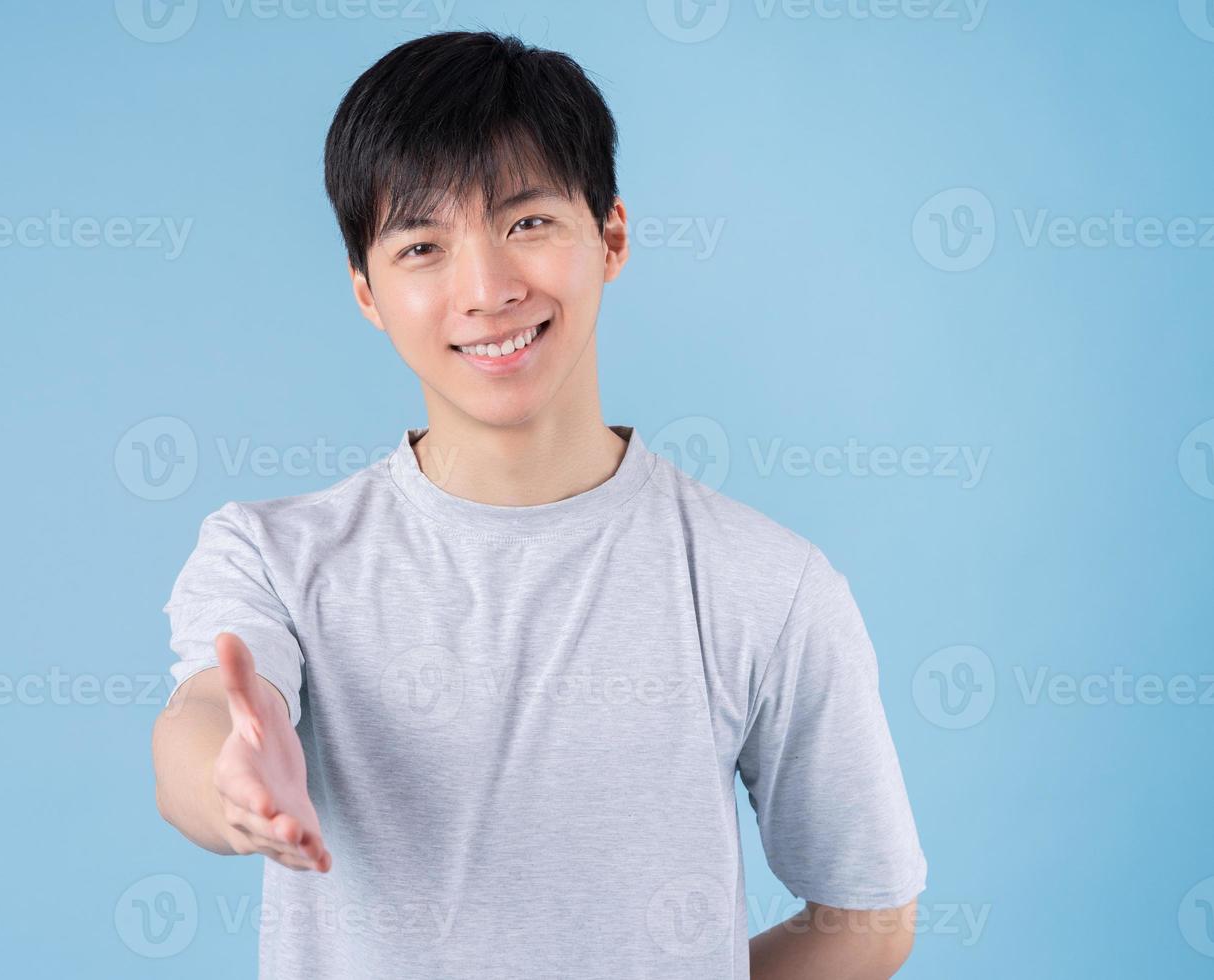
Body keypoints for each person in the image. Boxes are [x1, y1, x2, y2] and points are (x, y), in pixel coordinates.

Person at [152, 29, 927, 979]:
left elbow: (870, 920)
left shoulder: (766, 583)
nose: (487, 292)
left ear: (610, 237)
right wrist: (232, 776)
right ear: (366, 290)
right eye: (423, 245)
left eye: (526, 224)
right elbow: (207, 717)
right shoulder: (271, 555)